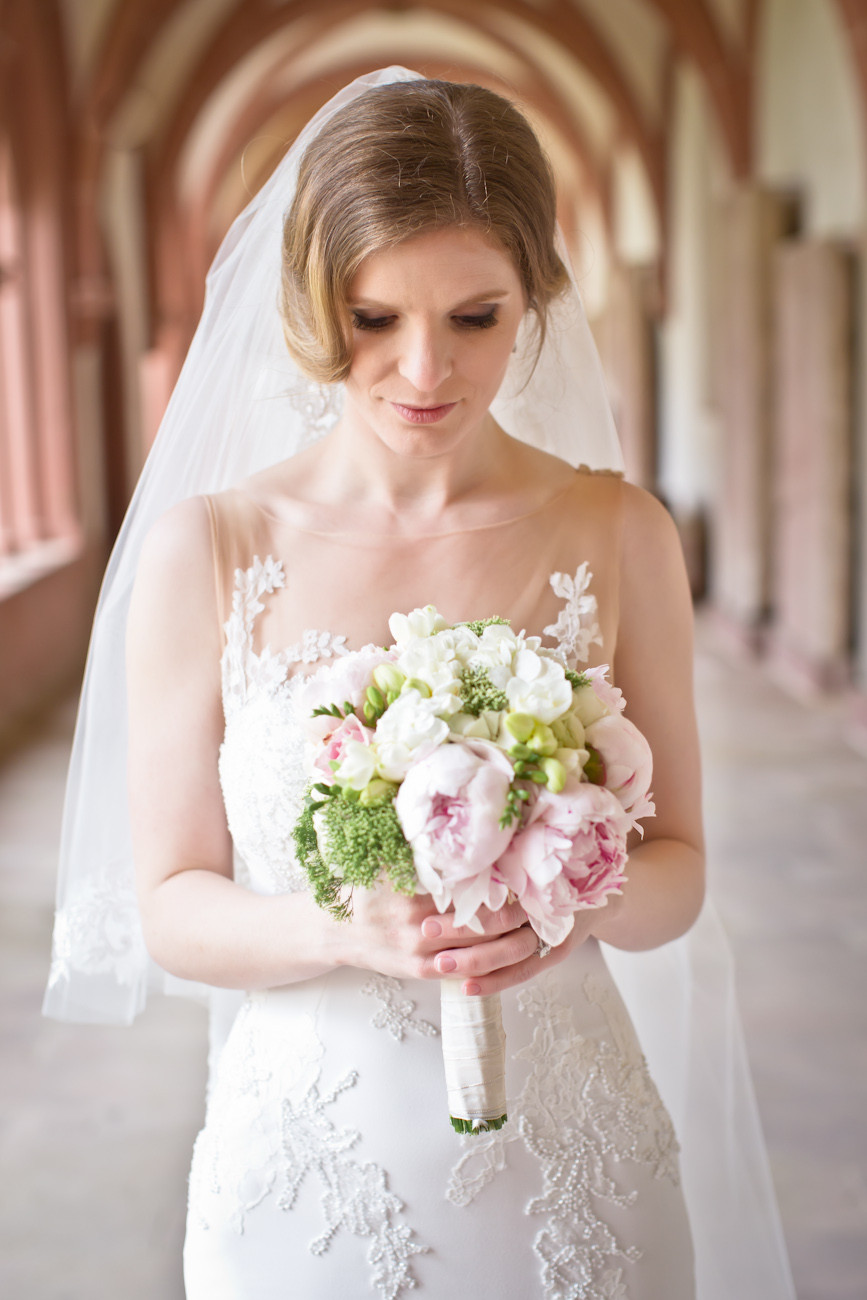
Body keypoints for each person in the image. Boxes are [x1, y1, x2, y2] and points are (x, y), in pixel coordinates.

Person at [44, 69, 796, 1300]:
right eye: (374, 316)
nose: (423, 370)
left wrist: (564, 890)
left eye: (477, 315)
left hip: (575, 1165)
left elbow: (680, 876)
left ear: (536, 299)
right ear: (307, 303)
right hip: (306, 1172)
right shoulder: (212, 548)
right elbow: (174, 902)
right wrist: (342, 925)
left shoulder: (620, 532)